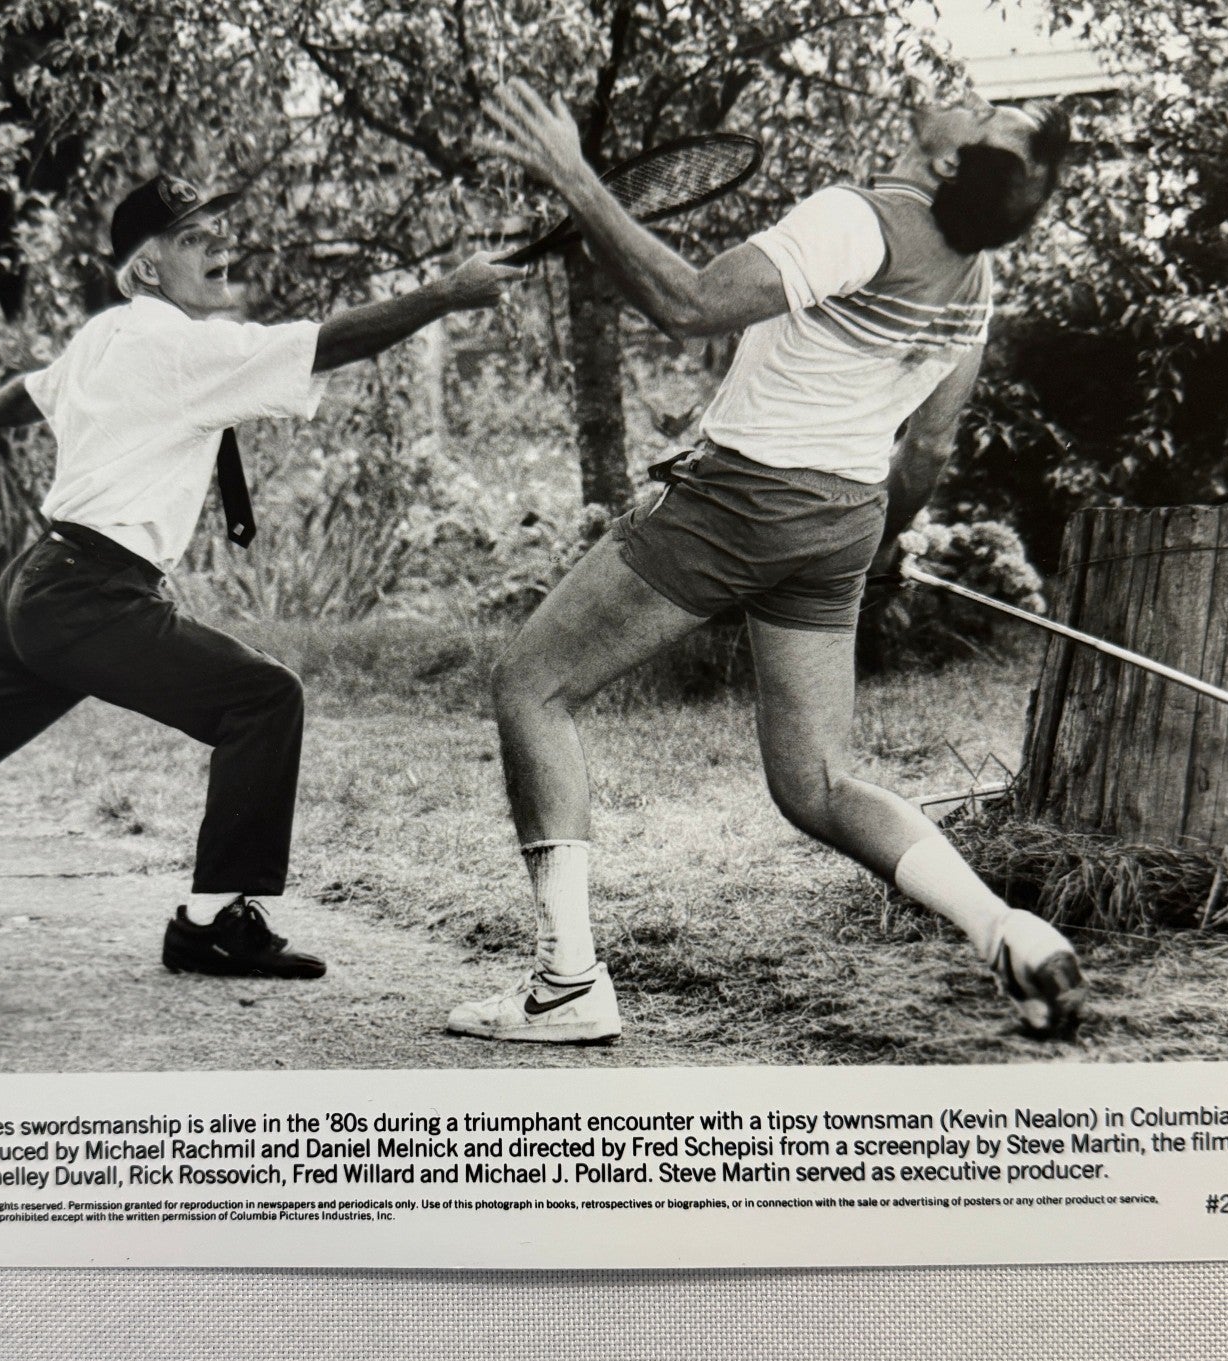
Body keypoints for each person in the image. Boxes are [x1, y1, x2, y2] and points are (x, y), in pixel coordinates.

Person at [0, 174, 520, 979]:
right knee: (263, 699)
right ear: (148, 266)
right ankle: (211, 925)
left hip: (41, 589)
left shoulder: (108, 334)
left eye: (219, 232)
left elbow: (34, 392)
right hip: (90, 596)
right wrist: (445, 293)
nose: (220, 249)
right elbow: (331, 342)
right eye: (194, 238)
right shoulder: (180, 345)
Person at [448, 81, 1081, 1043]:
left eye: (987, 111)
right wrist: (874, 552)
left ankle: (566, 986)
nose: (971, 95)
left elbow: (689, 305)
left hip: (743, 501)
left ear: (952, 159)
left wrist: (576, 176)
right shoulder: (975, 281)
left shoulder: (856, 220)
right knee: (818, 786)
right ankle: (1005, 929)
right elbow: (926, 450)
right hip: (843, 521)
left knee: (532, 685)